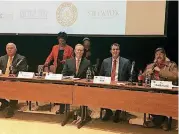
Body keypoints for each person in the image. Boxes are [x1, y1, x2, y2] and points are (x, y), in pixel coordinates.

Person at [142, 47, 178, 130]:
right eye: (157, 54)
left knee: (162, 99)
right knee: (145, 98)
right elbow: (141, 78)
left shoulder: (171, 65)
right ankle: (162, 121)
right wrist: (147, 74)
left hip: (167, 92)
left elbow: (175, 77)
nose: (158, 56)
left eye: (161, 54)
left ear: (164, 55)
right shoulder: (150, 66)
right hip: (153, 91)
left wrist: (160, 71)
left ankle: (157, 121)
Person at [99, 43, 132, 123]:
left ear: (119, 51)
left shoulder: (126, 62)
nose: (115, 51)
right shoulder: (105, 61)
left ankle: (118, 111)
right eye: (113, 49)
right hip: (108, 85)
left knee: (120, 93)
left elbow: (131, 76)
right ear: (110, 51)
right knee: (100, 92)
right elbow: (101, 75)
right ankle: (108, 111)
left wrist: (127, 84)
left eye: (117, 49)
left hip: (120, 86)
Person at [44, 32, 73, 114]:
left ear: (65, 40)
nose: (61, 42)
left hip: (65, 70)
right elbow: (50, 56)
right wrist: (47, 62)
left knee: (64, 89)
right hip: (57, 70)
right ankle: (59, 102)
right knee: (57, 87)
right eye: (60, 40)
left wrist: (66, 61)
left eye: (63, 41)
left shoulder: (70, 49)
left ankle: (62, 107)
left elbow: (72, 60)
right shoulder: (55, 47)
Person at [0, 42, 28, 118]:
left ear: (15, 49)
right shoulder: (2, 58)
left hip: (14, 81)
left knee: (13, 87)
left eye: (11, 48)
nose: (9, 50)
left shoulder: (21, 58)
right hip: (2, 80)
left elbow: (23, 71)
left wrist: (15, 75)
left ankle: (11, 107)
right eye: (8, 48)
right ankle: (5, 102)